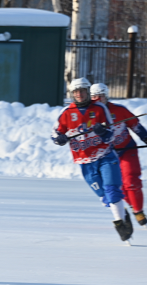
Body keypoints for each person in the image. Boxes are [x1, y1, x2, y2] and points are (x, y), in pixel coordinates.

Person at [52, 77, 134, 242]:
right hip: (85, 163)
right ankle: (123, 213)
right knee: (104, 197)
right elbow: (55, 133)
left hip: (105, 156)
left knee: (112, 190)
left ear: (88, 92)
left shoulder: (99, 109)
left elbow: (111, 135)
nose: (79, 95)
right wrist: (59, 139)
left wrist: (102, 132)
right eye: (76, 92)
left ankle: (119, 224)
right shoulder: (66, 113)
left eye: (82, 91)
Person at [89, 83, 147, 227]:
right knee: (118, 186)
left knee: (131, 180)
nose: (98, 99)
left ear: (107, 96)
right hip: (108, 155)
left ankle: (138, 211)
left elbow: (135, 125)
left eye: (101, 96)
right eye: (94, 96)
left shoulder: (119, 110)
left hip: (127, 150)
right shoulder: (90, 115)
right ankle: (130, 206)